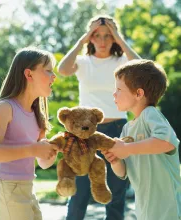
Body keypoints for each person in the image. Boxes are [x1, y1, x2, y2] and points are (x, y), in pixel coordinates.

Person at [58, 15, 140, 220]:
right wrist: (82, 39)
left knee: (116, 191)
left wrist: (120, 38)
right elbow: (62, 69)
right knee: (80, 192)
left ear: (114, 38)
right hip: (84, 134)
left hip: (117, 130)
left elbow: (142, 68)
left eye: (108, 36)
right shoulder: (83, 62)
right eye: (97, 36)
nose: (102, 41)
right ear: (90, 38)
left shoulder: (122, 61)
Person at [103, 59, 181, 220]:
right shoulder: (127, 129)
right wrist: (115, 160)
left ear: (138, 93)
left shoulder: (150, 114)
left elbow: (166, 142)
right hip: (146, 212)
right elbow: (123, 173)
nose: (114, 94)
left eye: (119, 89)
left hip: (170, 211)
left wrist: (127, 148)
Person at [0, 47, 62, 220]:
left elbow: (43, 162)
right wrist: (33, 149)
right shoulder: (5, 107)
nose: (54, 76)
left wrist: (53, 148)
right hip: (7, 188)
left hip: (27, 188)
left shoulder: (37, 114)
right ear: (29, 74)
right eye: (48, 71)